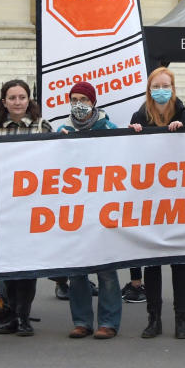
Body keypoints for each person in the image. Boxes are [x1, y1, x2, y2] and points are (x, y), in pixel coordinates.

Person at [128, 67, 185, 340]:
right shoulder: (139, 116)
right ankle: (153, 318)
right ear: (149, 88)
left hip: (179, 200)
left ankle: (182, 319)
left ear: (173, 87)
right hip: (150, 201)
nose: (161, 89)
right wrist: (131, 133)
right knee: (152, 263)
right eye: (156, 85)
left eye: (165, 85)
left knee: (180, 264)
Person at [57, 81, 122, 340]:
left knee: (106, 270)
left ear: (93, 102)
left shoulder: (109, 128)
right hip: (74, 210)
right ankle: (82, 321)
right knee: (77, 270)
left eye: (83, 99)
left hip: (102, 207)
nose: (78, 104)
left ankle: (108, 322)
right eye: (74, 99)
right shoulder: (62, 130)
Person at [0, 80, 52, 337]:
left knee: (28, 263)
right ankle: (12, 313)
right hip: (4, 207)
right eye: (12, 97)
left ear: (29, 100)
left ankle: (24, 316)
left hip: (32, 206)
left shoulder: (41, 126)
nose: (17, 102)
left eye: (22, 97)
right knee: (7, 263)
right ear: (4, 101)